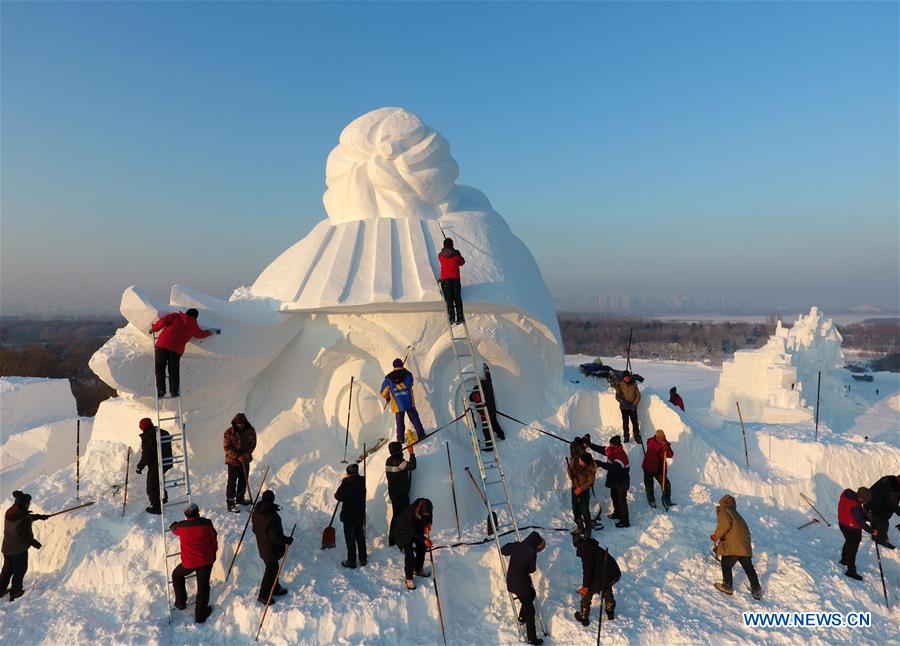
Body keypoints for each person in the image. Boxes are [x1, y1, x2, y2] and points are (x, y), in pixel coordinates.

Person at [150, 307, 218, 398]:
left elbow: (162, 322)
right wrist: (210, 332)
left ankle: (161, 390)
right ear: (196, 317)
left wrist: (154, 328)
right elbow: (200, 334)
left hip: (163, 345)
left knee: (160, 368)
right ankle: (174, 391)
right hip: (176, 350)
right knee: (173, 371)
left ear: (186, 313)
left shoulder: (175, 316)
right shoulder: (194, 326)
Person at [170, 503, 217, 623]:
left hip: (189, 563)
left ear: (186, 515)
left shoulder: (182, 527)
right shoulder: (207, 523)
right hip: (206, 561)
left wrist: (173, 525)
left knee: (176, 575)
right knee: (203, 587)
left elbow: (174, 529)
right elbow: (213, 538)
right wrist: (213, 553)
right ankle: (200, 615)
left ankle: (180, 602)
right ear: (198, 512)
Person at [500, 531, 546, 646]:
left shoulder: (516, 545)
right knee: (531, 611)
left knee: (532, 594)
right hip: (522, 585)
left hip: (511, 583)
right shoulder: (531, 553)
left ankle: (521, 617)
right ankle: (532, 639)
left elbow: (503, 550)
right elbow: (532, 570)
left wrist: (514, 547)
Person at [1, 491, 48, 602]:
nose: (29, 504)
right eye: (28, 503)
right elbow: (23, 535)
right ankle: (16, 592)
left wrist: (38, 516)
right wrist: (34, 542)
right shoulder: (23, 519)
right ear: (25, 504)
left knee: (7, 570)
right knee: (19, 571)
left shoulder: (11, 512)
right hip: (18, 551)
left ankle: (0, 589)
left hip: (7, 548)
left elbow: (24, 518)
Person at [711, 495, 761, 599]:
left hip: (734, 546)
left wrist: (716, 535)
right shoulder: (736, 514)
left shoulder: (724, 510)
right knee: (749, 568)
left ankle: (727, 586)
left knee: (726, 565)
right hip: (744, 546)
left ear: (723, 502)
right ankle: (756, 589)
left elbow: (724, 525)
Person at [252, 490, 293, 603]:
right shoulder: (273, 517)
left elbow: (254, 529)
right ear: (273, 500)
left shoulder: (256, 512)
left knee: (273, 568)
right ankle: (263, 595)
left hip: (262, 545)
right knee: (271, 570)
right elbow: (276, 538)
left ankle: (275, 587)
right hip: (270, 549)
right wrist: (287, 540)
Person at [573, 535, 621, 626]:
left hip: (604, 575)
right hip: (614, 573)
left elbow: (587, 570)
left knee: (588, 592)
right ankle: (610, 610)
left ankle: (584, 617)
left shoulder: (585, 550)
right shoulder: (592, 546)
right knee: (606, 586)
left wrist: (585, 586)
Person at [381, 358, 426, 443]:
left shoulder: (388, 378)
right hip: (409, 402)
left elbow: (383, 393)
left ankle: (400, 439)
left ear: (393, 366)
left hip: (398, 404)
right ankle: (421, 434)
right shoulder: (408, 375)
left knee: (399, 422)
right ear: (402, 364)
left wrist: (388, 396)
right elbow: (411, 384)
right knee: (414, 418)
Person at [392, 498, 433, 590]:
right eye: (425, 514)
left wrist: (429, 523)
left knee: (422, 546)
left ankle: (418, 569)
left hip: (415, 530)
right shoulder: (410, 513)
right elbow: (412, 531)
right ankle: (409, 579)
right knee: (409, 554)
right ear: (420, 511)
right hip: (402, 532)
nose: (427, 515)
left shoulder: (427, 506)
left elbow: (430, 516)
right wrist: (424, 539)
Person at [838, 487, 876, 580]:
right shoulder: (855, 506)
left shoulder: (847, 493)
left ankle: (844, 560)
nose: (865, 503)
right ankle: (850, 571)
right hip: (851, 528)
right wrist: (872, 531)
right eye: (865, 501)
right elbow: (861, 523)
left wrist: (868, 518)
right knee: (853, 548)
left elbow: (856, 512)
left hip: (842, 522)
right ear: (861, 498)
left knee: (849, 541)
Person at [135, 418, 172, 514]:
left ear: (143, 427)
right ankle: (163, 497)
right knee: (158, 480)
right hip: (167, 461)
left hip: (158, 463)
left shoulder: (148, 436)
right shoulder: (161, 431)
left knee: (152, 485)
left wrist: (140, 466)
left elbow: (147, 454)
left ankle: (156, 507)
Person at [334, 463, 367, 568]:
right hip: (360, 514)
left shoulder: (346, 483)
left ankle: (351, 561)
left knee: (350, 538)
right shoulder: (362, 481)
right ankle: (363, 559)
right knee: (360, 537)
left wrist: (344, 482)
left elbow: (338, 496)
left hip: (349, 516)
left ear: (348, 473)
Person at [223, 413, 257, 513]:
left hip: (245, 459)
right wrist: (237, 456)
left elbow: (253, 444)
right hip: (233, 461)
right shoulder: (229, 432)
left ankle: (240, 498)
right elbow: (227, 447)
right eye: (238, 424)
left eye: (242, 423)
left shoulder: (251, 431)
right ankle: (230, 503)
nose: (240, 426)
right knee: (232, 482)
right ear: (235, 423)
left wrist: (246, 455)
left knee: (243, 479)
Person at [385, 441, 416, 546]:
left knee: (396, 516)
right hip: (401, 494)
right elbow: (412, 466)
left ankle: (392, 539)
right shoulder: (398, 461)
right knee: (405, 516)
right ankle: (404, 539)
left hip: (393, 493)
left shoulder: (389, 460)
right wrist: (411, 453)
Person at [597, 436, 630, 528]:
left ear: (616, 445)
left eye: (611, 444)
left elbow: (613, 467)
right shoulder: (612, 451)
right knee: (614, 497)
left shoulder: (621, 456)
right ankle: (617, 513)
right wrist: (590, 445)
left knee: (621, 501)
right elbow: (602, 449)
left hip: (622, 481)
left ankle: (625, 521)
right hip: (614, 480)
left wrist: (599, 463)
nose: (609, 445)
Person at [567, 449, 597, 539]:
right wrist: (570, 473)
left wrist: (581, 488)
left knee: (584, 509)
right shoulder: (574, 461)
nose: (580, 463)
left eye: (583, 463)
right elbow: (570, 469)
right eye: (580, 460)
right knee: (575, 508)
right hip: (574, 488)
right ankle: (580, 528)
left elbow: (590, 482)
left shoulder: (591, 468)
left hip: (583, 490)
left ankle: (588, 530)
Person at [642, 430, 675, 508]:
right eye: (659, 437)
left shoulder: (665, 443)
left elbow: (670, 455)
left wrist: (667, 448)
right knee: (649, 485)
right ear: (656, 437)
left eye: (663, 437)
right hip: (649, 466)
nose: (661, 438)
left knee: (666, 483)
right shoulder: (651, 441)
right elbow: (654, 449)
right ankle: (651, 500)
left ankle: (667, 499)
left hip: (659, 467)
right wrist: (662, 447)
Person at [437, 237, 466, 324]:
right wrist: (457, 252)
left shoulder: (440, 255)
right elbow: (462, 262)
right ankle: (460, 317)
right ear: (452, 245)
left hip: (445, 280)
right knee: (457, 298)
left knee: (449, 299)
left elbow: (443, 257)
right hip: (455, 280)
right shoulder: (456, 254)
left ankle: (451, 317)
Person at [867, 474, 899, 549]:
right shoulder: (894, 490)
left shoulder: (889, 478)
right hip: (880, 510)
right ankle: (881, 542)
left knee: (874, 521)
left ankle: (875, 536)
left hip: (871, 504)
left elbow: (872, 489)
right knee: (883, 525)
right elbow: (892, 504)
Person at [480, 364, 506, 440]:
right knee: (494, 422)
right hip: (492, 410)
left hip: (487, 412)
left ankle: (488, 442)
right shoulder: (489, 387)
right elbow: (489, 378)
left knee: (485, 427)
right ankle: (501, 435)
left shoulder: (483, 394)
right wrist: (486, 369)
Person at [615, 372, 641, 443]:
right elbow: (617, 396)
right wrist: (621, 401)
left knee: (635, 422)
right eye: (625, 377)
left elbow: (638, 395)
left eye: (628, 377)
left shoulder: (634, 385)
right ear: (623, 378)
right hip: (624, 408)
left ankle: (637, 436)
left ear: (630, 377)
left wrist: (634, 404)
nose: (627, 378)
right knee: (625, 422)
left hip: (632, 407)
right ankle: (626, 436)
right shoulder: (620, 385)